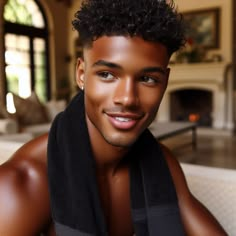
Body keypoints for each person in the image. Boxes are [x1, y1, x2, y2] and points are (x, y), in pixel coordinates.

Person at [0, 0, 227, 235]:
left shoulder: (162, 164)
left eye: (148, 79)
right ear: (81, 75)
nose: (127, 98)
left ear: (165, 82)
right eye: (107, 74)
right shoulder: (21, 184)